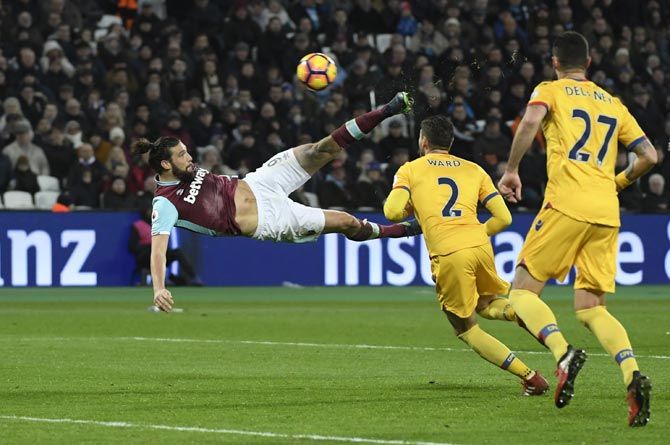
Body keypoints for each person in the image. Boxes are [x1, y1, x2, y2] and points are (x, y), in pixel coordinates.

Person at [497, 31, 656, 426]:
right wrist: (617, 183)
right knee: (591, 307)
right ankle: (632, 375)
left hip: (567, 202)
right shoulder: (614, 103)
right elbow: (649, 156)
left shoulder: (550, 90)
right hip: (606, 211)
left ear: (554, 63)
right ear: (589, 63)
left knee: (520, 292)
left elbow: (530, 120)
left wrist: (512, 170)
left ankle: (563, 353)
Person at [135, 92, 421, 312]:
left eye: (186, 151)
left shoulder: (185, 170)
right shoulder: (164, 204)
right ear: (165, 164)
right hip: (270, 220)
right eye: (183, 155)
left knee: (320, 149)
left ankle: (388, 109)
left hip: (260, 181)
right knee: (346, 221)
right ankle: (403, 230)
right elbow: (158, 252)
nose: (190, 157)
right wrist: (159, 289)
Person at [383, 115, 548, 396]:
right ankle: (524, 316)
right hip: (479, 246)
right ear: (451, 142)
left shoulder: (409, 170)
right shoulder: (474, 169)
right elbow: (504, 217)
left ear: (423, 141)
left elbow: (391, 212)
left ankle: (530, 377)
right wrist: (477, 235)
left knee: (466, 328)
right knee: (487, 305)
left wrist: (414, 205)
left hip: (449, 253)